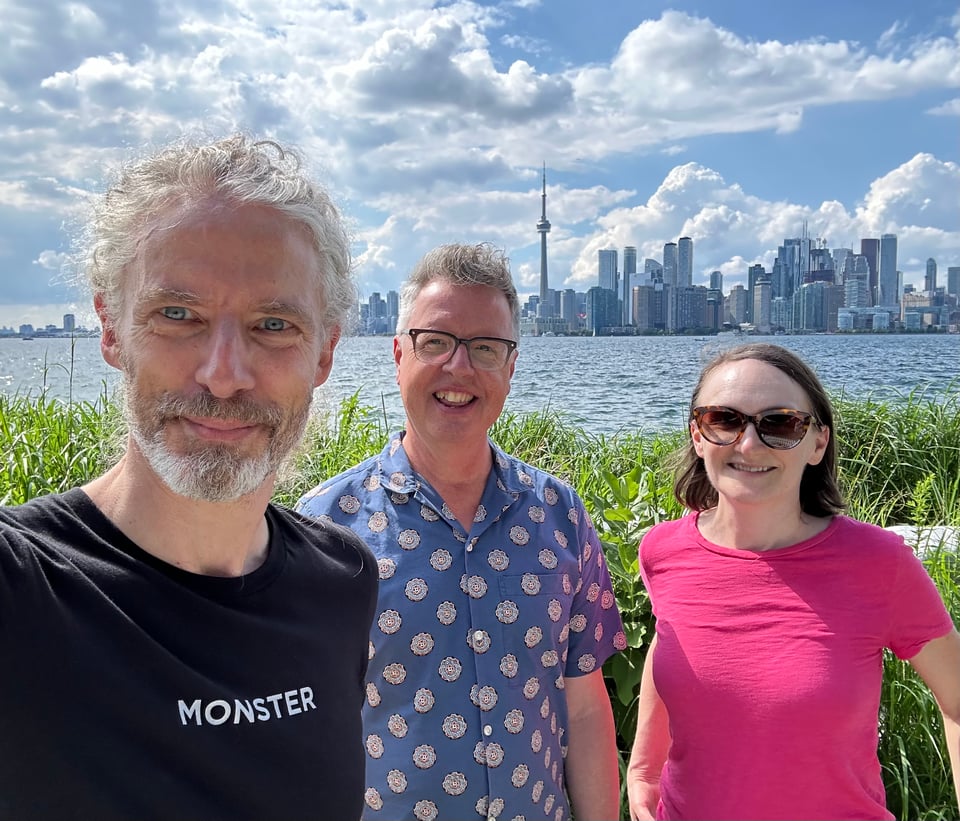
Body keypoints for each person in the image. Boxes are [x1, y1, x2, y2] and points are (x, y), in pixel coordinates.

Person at [0, 134, 379, 821]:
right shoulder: (25, 587)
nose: (224, 373)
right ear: (111, 329)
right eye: (178, 314)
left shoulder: (344, 580)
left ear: (324, 352)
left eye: (273, 324)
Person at [297, 243, 626, 821]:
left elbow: (583, 708)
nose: (459, 367)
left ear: (511, 365)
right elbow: (305, 725)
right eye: (436, 342)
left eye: (485, 347)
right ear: (398, 354)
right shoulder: (326, 525)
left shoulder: (562, 516)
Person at [626, 342, 960, 821]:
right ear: (698, 436)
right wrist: (644, 770)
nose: (748, 444)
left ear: (818, 443)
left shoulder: (877, 563)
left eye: (780, 424)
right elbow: (670, 638)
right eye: (724, 420)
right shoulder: (662, 551)